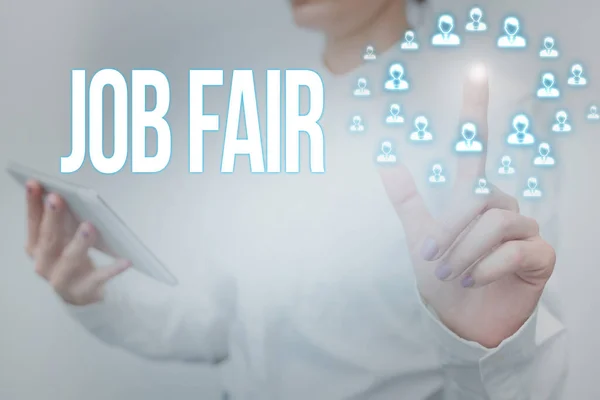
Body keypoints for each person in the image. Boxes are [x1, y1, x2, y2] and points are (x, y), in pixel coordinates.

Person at [21, 0, 567, 399]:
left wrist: (488, 344)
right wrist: (90, 291)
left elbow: (529, 363)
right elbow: (221, 322)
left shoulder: (491, 121)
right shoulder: (269, 116)